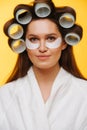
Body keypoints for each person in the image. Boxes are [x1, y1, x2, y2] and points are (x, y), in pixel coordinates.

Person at [0, 0, 87, 129]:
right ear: (24, 44)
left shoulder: (84, 93)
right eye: (33, 39)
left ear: (64, 42)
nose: (42, 48)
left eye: (50, 38)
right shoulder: (5, 96)